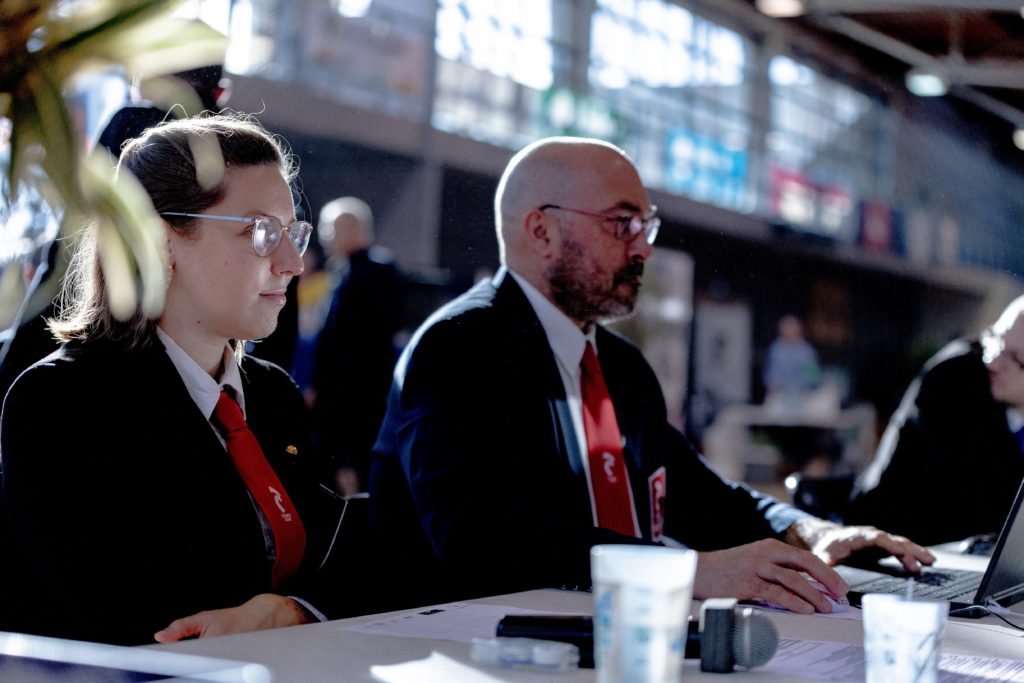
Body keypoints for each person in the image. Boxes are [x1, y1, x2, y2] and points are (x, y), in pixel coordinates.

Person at [369, 136, 933, 614]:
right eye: (622, 224)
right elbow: (482, 543)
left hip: (604, 628)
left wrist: (807, 531)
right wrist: (690, 571)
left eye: (646, 225)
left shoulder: (619, 366)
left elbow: (700, 497)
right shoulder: (460, 348)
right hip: (469, 640)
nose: (643, 248)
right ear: (541, 231)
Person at [1, 115, 348, 645]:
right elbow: (122, 613)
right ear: (159, 243)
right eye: (260, 232)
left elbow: (343, 561)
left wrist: (293, 610)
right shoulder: (62, 402)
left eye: (292, 233)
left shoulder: (272, 394)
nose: (292, 263)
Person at [846, 296, 1024, 545]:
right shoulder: (954, 378)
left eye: (1014, 357)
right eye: (995, 338)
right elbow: (978, 503)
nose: (992, 361)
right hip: (895, 540)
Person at [311, 197, 403, 495]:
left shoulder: (378, 272)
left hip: (360, 399)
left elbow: (367, 342)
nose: (324, 236)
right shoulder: (342, 271)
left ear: (354, 230)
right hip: (339, 399)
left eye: (330, 228)